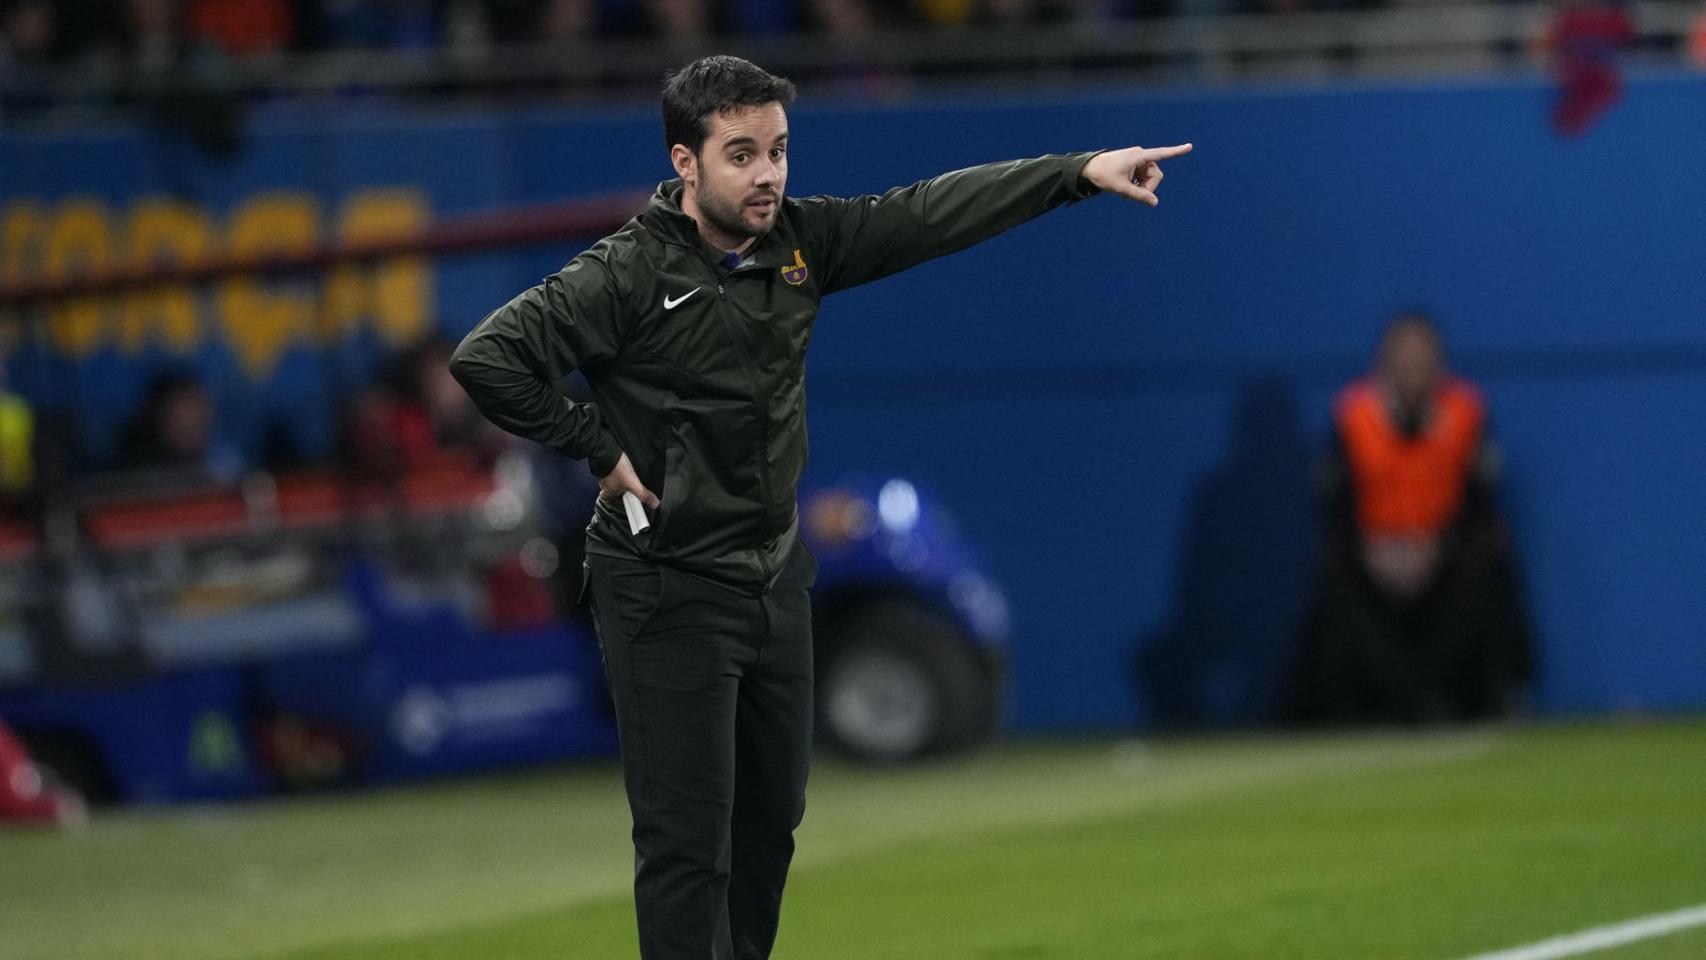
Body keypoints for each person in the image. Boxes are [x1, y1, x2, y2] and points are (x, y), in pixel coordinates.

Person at [450, 54, 1190, 960]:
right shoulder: (624, 275)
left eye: (779, 151)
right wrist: (597, 446)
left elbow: (927, 213)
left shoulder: (802, 244)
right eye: (741, 155)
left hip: (772, 575)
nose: (767, 174)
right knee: (687, 845)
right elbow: (486, 358)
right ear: (685, 165)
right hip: (663, 584)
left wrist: (1073, 175)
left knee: (768, 830)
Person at [1289, 314, 1534, 726]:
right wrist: (1372, 553)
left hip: (1443, 556)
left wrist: (1437, 549)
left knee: (1489, 568)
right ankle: (1390, 704)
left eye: (1422, 362)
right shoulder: (1353, 415)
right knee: (1334, 582)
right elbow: (1336, 504)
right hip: (1372, 558)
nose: (1412, 372)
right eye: (1403, 362)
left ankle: (1485, 697)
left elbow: (1480, 504)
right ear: (1383, 366)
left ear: (1439, 367)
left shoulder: (1465, 412)